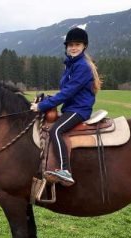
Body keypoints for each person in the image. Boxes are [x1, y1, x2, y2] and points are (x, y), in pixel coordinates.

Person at [30, 27, 102, 186]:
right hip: (71, 108)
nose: (73, 47)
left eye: (77, 44)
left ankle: (65, 171)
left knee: (56, 130)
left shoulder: (82, 66)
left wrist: (43, 106)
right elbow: (65, 91)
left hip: (79, 110)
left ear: (84, 46)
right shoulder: (71, 65)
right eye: (70, 45)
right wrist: (46, 99)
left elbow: (68, 92)